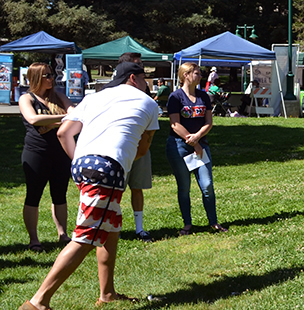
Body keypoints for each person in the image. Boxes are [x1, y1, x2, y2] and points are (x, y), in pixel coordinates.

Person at [19, 62, 159, 310]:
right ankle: (38, 302)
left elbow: (64, 133)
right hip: (108, 169)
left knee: (111, 226)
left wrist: (81, 163)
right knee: (85, 237)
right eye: (144, 78)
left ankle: (107, 294)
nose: (146, 83)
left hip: (84, 164)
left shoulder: (94, 98)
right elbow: (143, 149)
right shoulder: (148, 102)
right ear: (133, 79)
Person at [166, 62, 228, 236]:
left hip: (200, 145)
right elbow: (174, 124)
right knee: (184, 187)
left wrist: (198, 138)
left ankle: (213, 222)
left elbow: (209, 122)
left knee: (207, 185)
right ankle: (187, 224)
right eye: (197, 73)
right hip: (179, 146)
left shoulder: (204, 96)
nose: (200, 76)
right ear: (186, 75)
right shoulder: (175, 97)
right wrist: (192, 141)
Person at [19, 63, 74, 252]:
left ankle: (63, 234)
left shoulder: (58, 96)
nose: (52, 78)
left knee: (60, 194)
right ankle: (34, 240)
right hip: (36, 153)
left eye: (52, 74)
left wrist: (50, 124)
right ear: (35, 78)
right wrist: (61, 119)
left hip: (60, 152)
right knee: (33, 195)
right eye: (47, 75)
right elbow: (33, 119)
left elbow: (74, 114)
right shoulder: (26, 98)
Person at [116, 52, 154, 242]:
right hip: (121, 148)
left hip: (141, 145)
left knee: (137, 187)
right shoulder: (114, 90)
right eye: (137, 65)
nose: (141, 69)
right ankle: (116, 227)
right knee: (117, 190)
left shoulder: (143, 89)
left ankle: (139, 229)